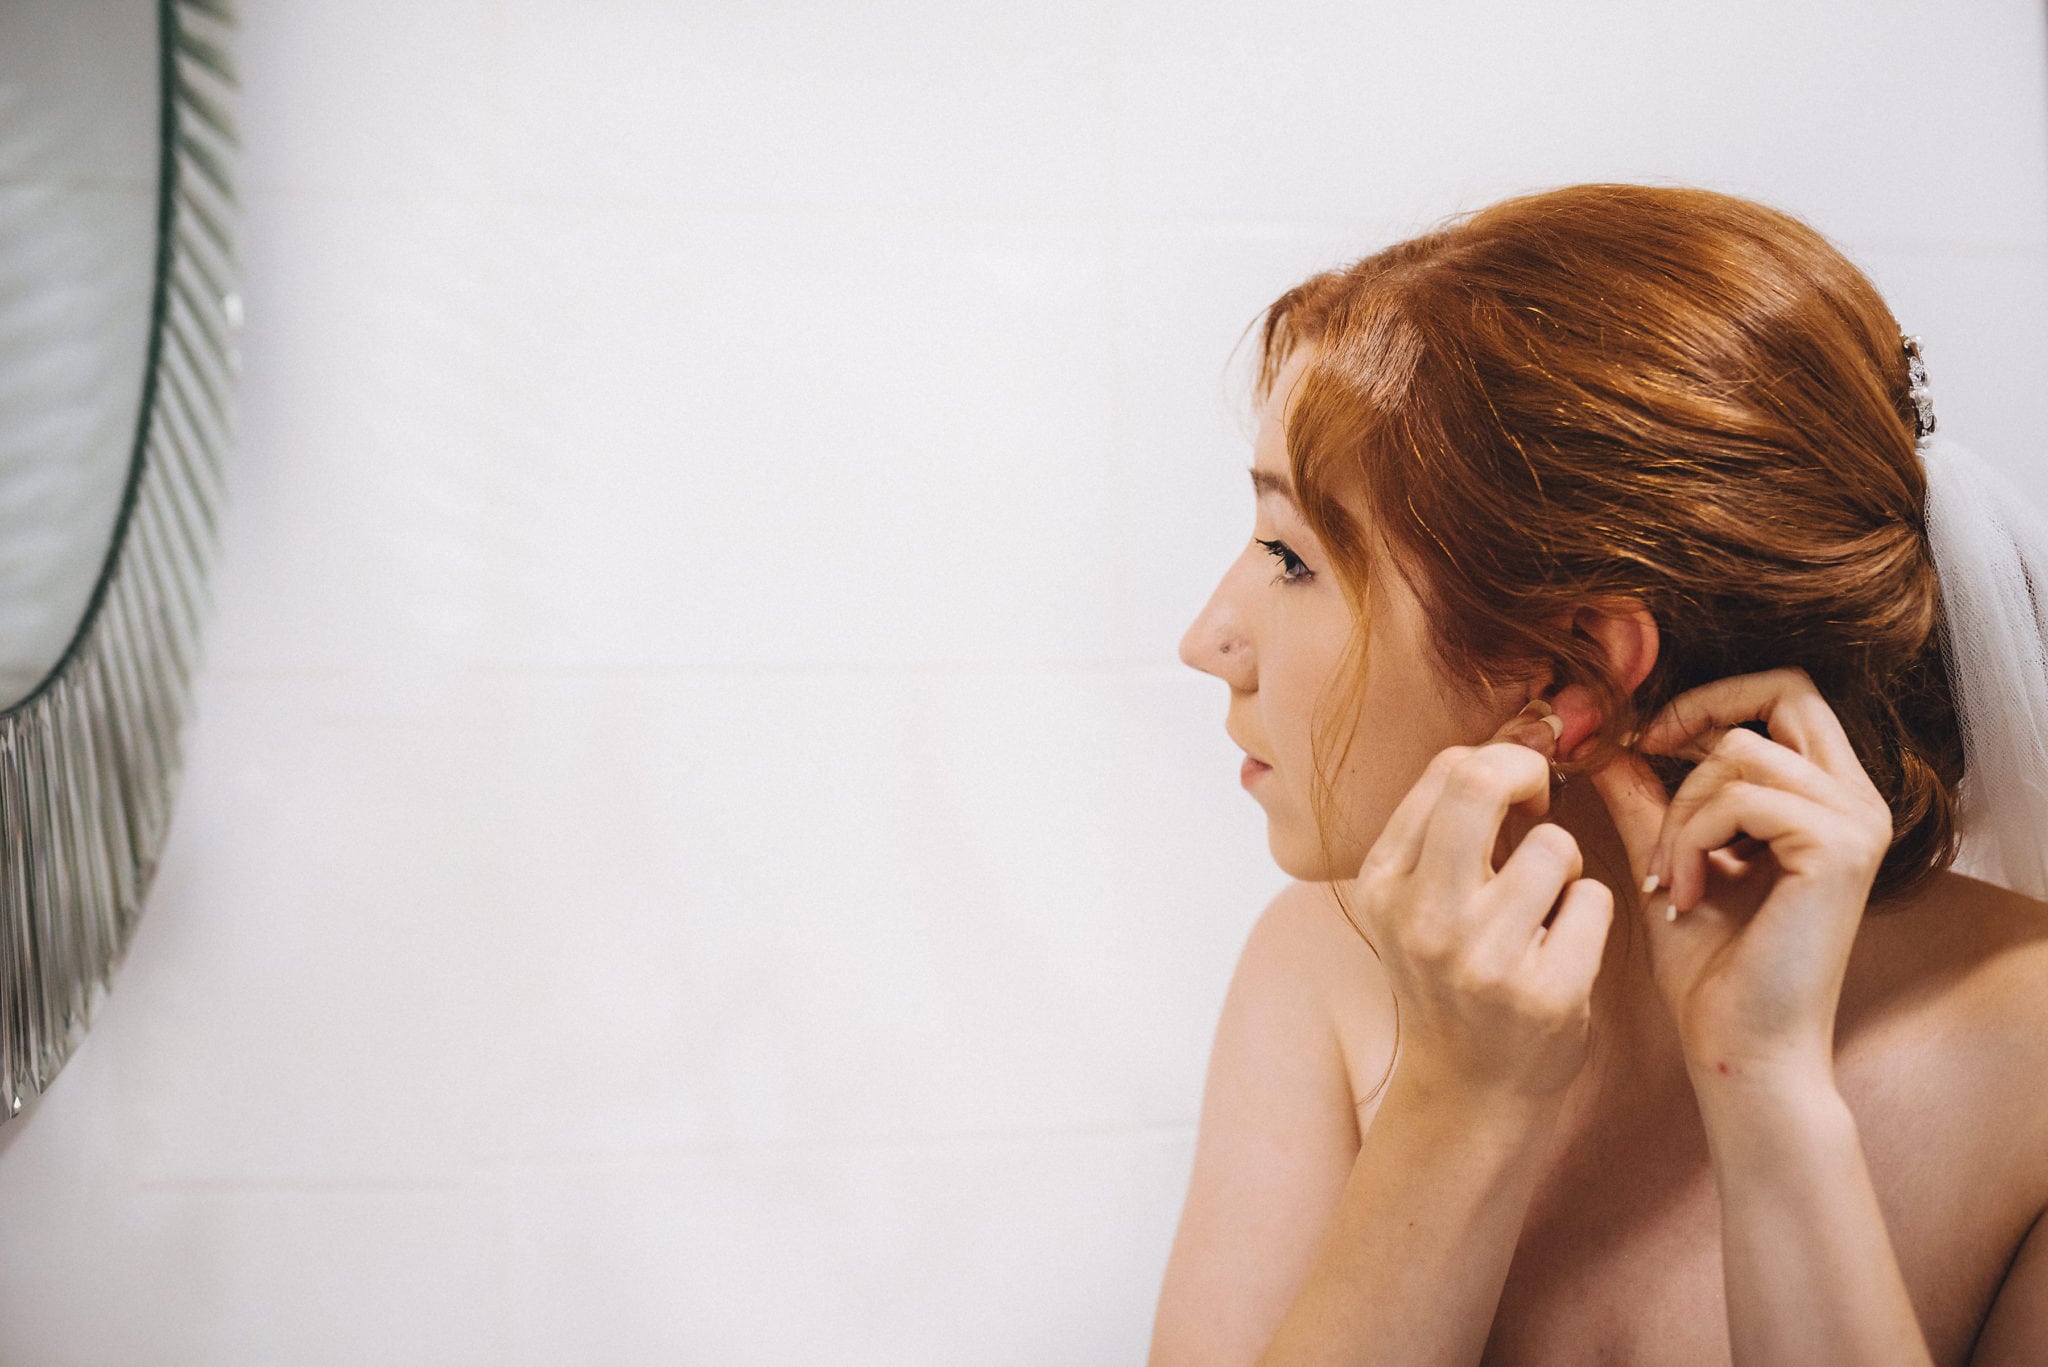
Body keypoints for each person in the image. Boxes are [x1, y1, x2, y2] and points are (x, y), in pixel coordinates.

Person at [1152, 183, 2048, 1365]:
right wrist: (1453, 1101)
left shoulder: (2026, 1045)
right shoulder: (1320, 959)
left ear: (1573, 670)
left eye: (1289, 555)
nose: (1207, 636)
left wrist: (1767, 1091)